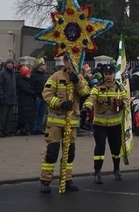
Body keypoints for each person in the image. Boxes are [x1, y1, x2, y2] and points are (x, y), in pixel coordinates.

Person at [39, 53, 91, 193]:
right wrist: (61, 104)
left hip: (72, 124)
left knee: (70, 153)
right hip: (56, 122)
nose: (73, 63)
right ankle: (45, 181)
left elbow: (86, 92)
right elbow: (47, 95)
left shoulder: (79, 77)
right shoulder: (55, 77)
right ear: (65, 61)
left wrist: (77, 81)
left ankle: (67, 180)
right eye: (71, 60)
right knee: (52, 152)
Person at [82, 63, 128, 183]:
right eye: (106, 74)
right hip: (100, 125)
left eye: (110, 74)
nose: (108, 76)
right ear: (103, 74)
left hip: (115, 124)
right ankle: (97, 173)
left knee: (115, 148)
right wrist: (87, 107)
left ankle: (116, 169)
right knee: (99, 148)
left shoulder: (119, 88)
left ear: (113, 74)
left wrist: (122, 104)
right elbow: (91, 98)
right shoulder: (97, 87)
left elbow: (126, 102)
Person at [0, 58, 17, 138]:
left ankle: (5, 131)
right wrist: (1, 96)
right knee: (2, 116)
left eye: (11, 63)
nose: (10, 64)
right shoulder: (2, 73)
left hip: (11, 98)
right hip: (4, 98)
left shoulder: (13, 73)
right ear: (6, 64)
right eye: (8, 63)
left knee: (8, 116)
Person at [15, 65, 35, 136]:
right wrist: (33, 92)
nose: (29, 74)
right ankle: (21, 129)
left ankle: (25, 129)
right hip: (23, 100)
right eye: (28, 73)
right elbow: (26, 90)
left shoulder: (27, 81)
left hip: (28, 100)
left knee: (27, 115)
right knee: (23, 115)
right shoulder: (21, 81)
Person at [30, 58, 48, 135]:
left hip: (43, 97)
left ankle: (39, 128)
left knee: (41, 114)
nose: (45, 66)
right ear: (39, 66)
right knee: (35, 114)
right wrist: (35, 95)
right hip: (37, 97)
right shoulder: (34, 75)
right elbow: (31, 86)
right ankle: (33, 128)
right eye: (43, 65)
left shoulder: (44, 75)